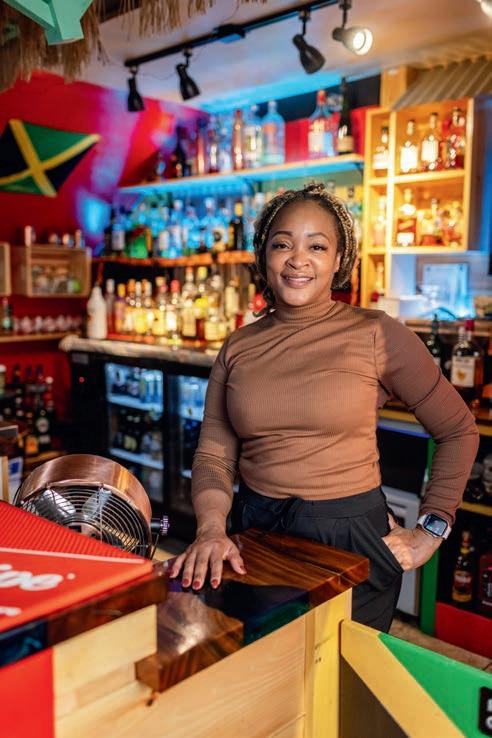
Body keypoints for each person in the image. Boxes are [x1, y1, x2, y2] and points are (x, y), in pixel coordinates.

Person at [170, 182, 479, 632]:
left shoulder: (376, 333)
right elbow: (215, 455)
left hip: (348, 536)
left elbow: (458, 430)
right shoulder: (238, 346)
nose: (298, 260)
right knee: (263, 661)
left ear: (339, 260)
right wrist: (212, 529)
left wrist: (429, 532)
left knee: (337, 666)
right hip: (256, 531)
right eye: (282, 244)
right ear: (263, 255)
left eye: (317, 246)